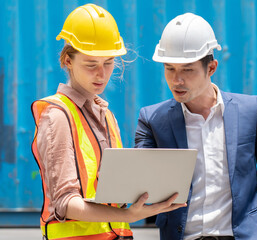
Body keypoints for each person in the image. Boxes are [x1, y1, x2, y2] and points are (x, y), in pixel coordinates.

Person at [31, 4, 185, 240]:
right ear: (68, 61)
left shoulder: (106, 115)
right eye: (91, 64)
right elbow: (64, 203)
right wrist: (129, 215)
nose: (101, 74)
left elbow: (112, 190)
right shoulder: (58, 115)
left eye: (108, 63)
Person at [135, 13, 257, 240]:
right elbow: (139, 182)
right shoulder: (152, 119)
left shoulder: (250, 110)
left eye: (187, 70)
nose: (177, 80)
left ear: (211, 68)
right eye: (169, 69)